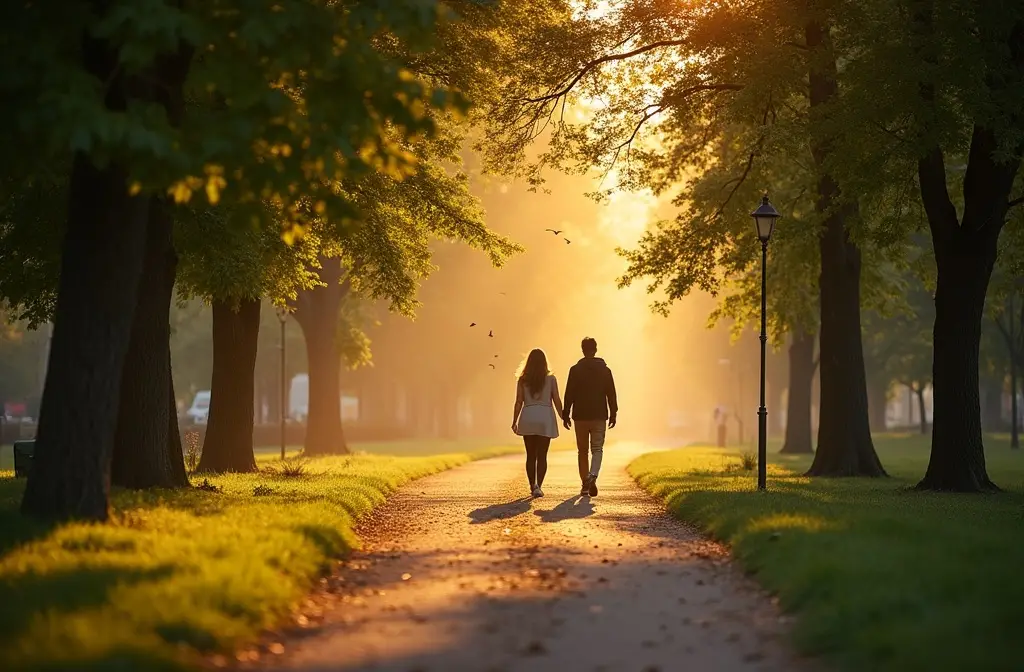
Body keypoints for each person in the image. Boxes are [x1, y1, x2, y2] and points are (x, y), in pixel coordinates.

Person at [562, 337, 617, 497]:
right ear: (596, 349)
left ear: (582, 350)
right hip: (599, 414)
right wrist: (613, 413)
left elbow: (569, 393)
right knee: (597, 448)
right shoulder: (605, 370)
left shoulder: (575, 370)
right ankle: (592, 475)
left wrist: (566, 413)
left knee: (582, 451)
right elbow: (611, 394)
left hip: (580, 415)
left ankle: (585, 484)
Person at [511, 348, 563, 498]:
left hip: (528, 415)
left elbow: (519, 401)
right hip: (545, 417)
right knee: (542, 455)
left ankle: (531, 484)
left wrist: (514, 420)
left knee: (530, 455)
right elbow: (556, 399)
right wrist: (563, 416)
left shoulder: (523, 379)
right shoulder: (551, 379)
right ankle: (538, 486)